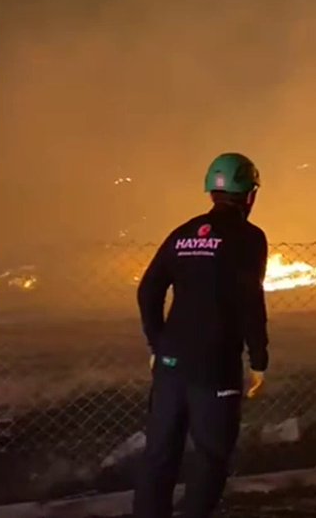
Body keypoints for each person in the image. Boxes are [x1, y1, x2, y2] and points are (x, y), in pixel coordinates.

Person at [133, 153, 269, 518]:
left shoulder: (183, 233)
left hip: (170, 363)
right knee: (211, 456)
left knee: (159, 454)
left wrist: (157, 343)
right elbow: (250, 300)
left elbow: (148, 291)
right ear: (250, 195)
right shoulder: (249, 238)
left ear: (211, 191)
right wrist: (258, 359)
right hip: (215, 367)